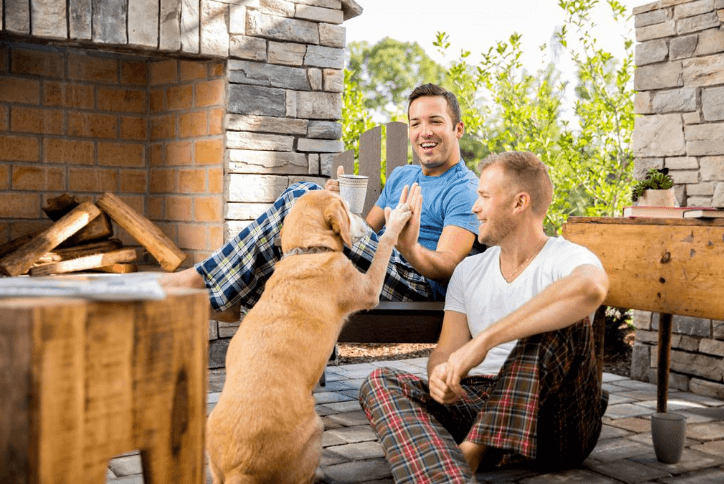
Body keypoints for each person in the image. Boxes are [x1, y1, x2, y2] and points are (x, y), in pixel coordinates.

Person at [359, 151, 610, 483]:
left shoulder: (567, 257)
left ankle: (474, 449)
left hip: (553, 420)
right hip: (477, 397)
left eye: (484, 197)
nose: (474, 207)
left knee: (564, 322)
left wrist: (485, 342)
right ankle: (449, 476)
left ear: (519, 203)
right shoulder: (469, 270)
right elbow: (447, 350)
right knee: (380, 381)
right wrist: (442, 376)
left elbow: (591, 289)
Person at [161, 83, 480, 321]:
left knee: (303, 199)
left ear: (458, 129)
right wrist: (339, 207)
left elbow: (448, 267)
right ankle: (225, 295)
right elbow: (364, 233)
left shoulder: (463, 189)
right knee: (305, 196)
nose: (425, 132)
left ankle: (206, 283)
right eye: (415, 123)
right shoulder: (402, 176)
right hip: (376, 266)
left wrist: (409, 248)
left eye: (435, 121)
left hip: (415, 286)